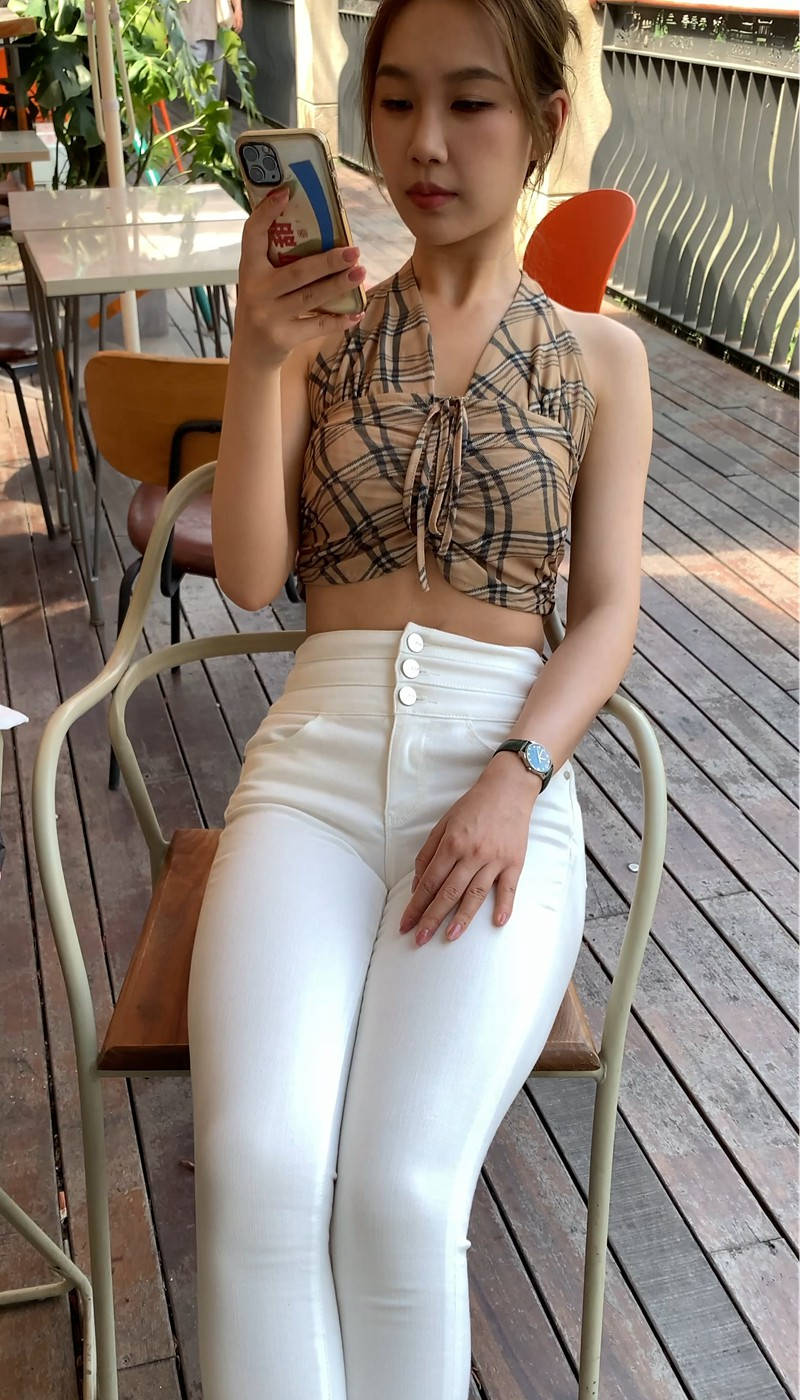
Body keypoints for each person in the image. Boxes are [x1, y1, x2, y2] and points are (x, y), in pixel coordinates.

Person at [186, 0, 653, 1394]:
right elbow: (254, 576)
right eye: (395, 102)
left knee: (397, 1192)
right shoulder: (319, 336)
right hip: (311, 778)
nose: (426, 143)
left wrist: (518, 774)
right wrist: (257, 356)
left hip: (498, 774)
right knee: (258, 1170)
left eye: (470, 102)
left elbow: (606, 611)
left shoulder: (600, 360)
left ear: (545, 122)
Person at [177, 0, 243, 102]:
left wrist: (238, 9)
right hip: (197, 17)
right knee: (202, 73)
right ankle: (204, 106)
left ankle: (207, 107)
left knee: (211, 74)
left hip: (216, 18)